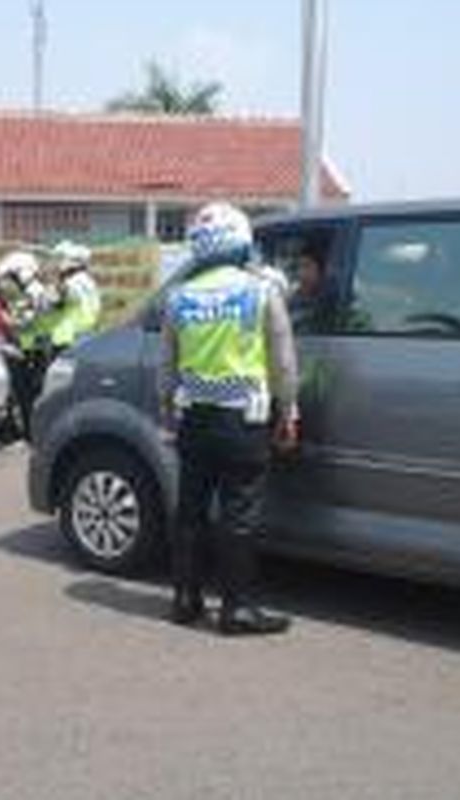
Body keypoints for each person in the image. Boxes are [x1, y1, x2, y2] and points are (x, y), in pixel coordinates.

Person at [159, 202, 299, 636]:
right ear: (242, 243)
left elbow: (167, 368)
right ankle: (236, 609)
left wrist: (168, 413)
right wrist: (289, 409)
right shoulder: (260, 291)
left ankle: (185, 600)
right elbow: (283, 362)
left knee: (191, 512)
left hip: (193, 419)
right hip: (243, 421)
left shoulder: (179, 297)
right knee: (238, 514)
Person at [0, 250, 56, 440]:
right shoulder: (34, 290)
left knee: (27, 395)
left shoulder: (33, 292)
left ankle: (30, 435)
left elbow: (27, 321)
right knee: (26, 395)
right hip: (32, 348)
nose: (10, 282)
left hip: (31, 350)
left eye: (12, 276)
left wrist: (5, 320)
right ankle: (27, 433)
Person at [50, 240, 102, 347]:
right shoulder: (88, 281)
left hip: (72, 337)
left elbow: (56, 301)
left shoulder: (72, 283)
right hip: (88, 332)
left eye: (60, 260)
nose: (57, 265)